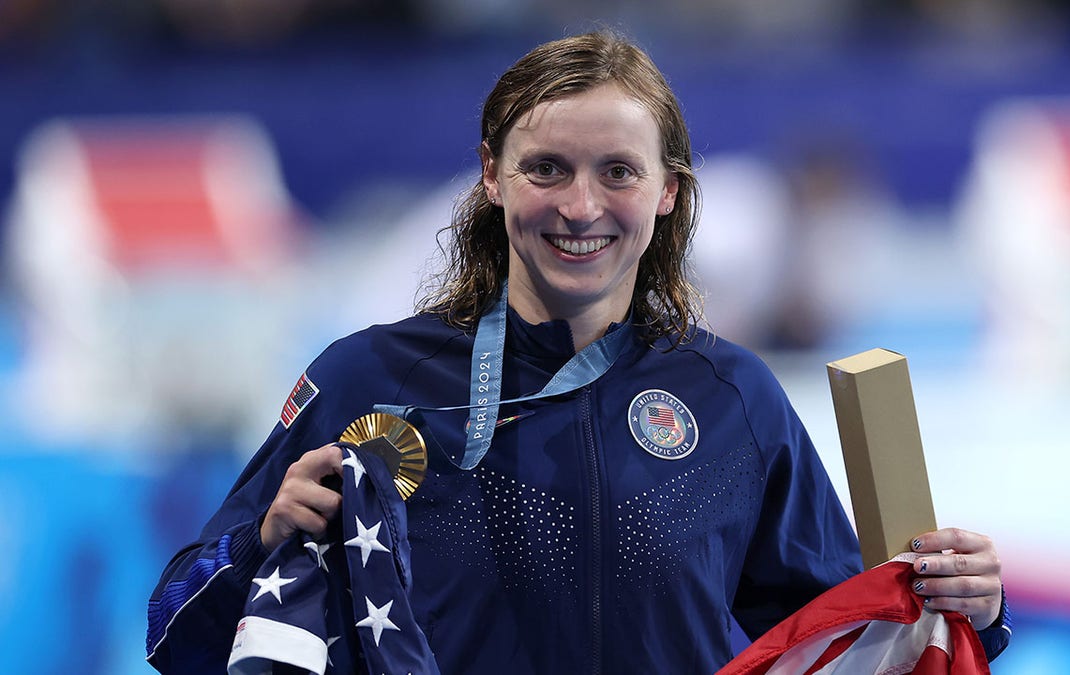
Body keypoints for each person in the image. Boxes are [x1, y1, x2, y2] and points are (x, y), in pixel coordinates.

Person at [147, 29, 1010, 673]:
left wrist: (969, 605)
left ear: (668, 191)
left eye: (619, 172)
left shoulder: (733, 397)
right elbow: (171, 630)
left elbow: (843, 636)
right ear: (491, 176)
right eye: (547, 168)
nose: (580, 205)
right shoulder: (366, 378)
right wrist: (260, 539)